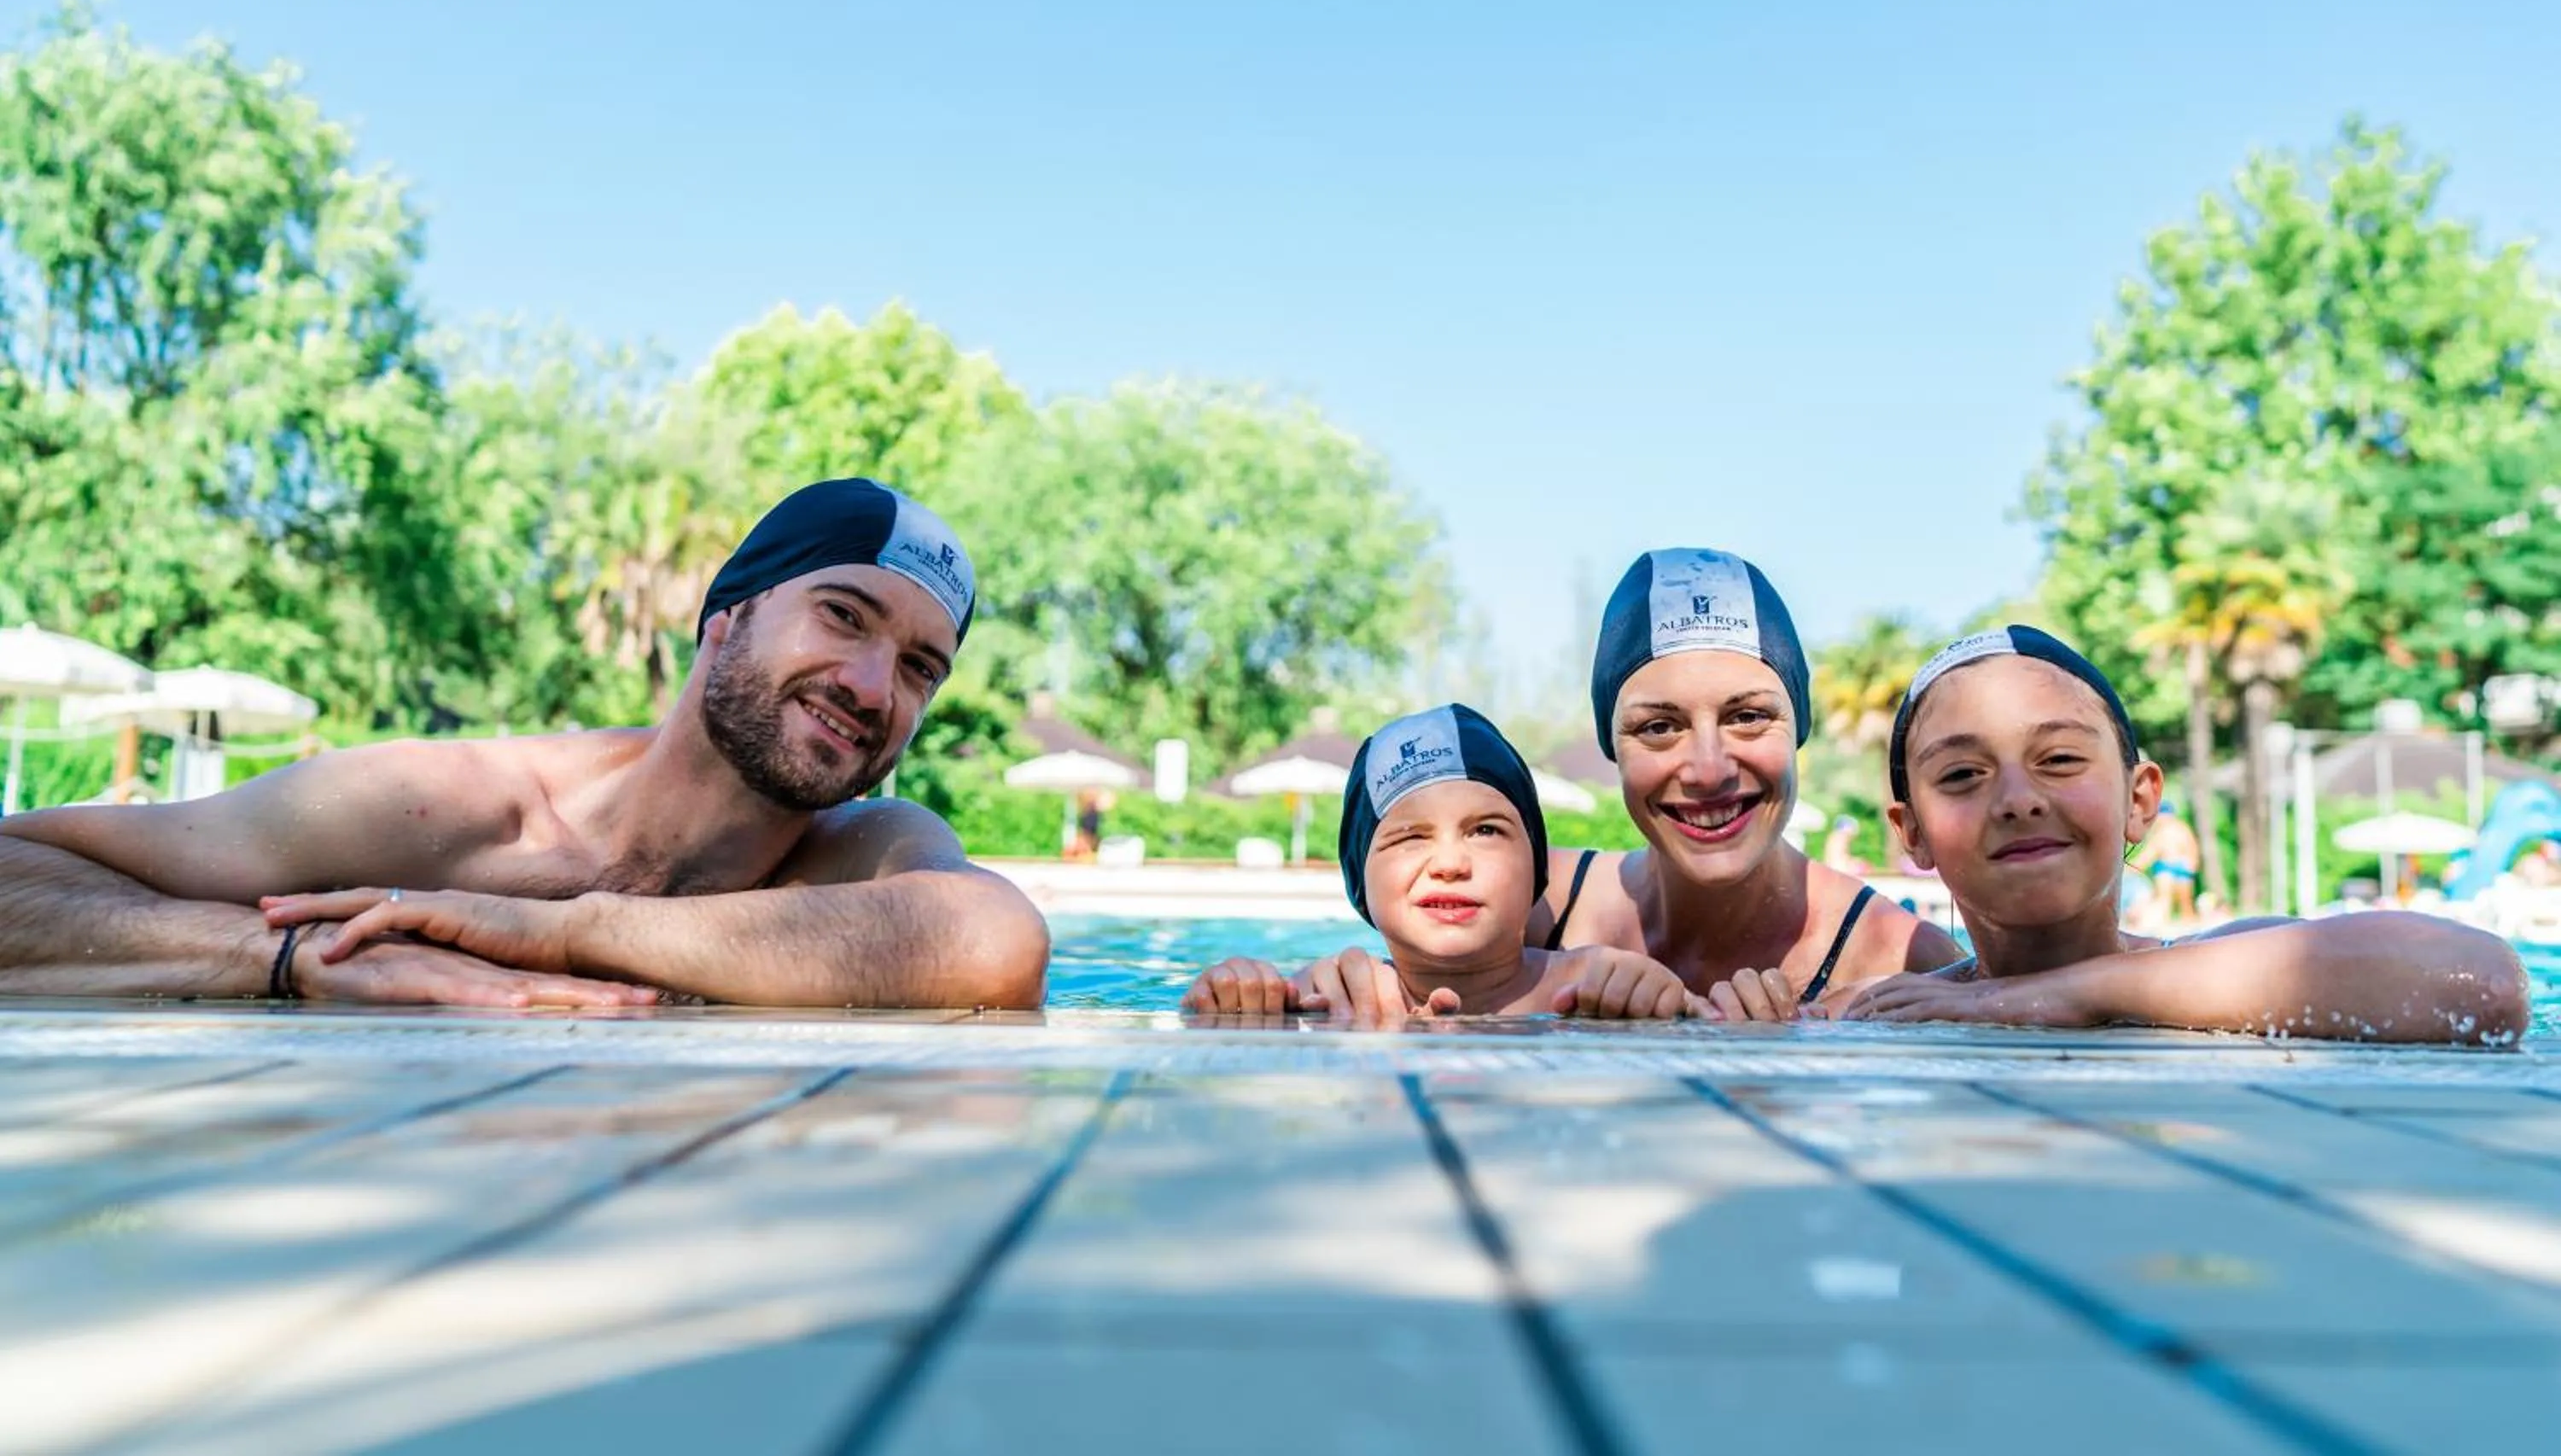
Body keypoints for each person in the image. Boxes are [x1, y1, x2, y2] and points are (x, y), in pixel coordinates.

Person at [0, 479, 1050, 1010]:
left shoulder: (863, 849)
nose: (875, 688)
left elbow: (996, 945)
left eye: (921, 668)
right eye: (844, 615)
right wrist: (282, 957)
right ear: (724, 621)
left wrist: (556, 933)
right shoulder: (444, 809)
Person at [1299, 550, 1963, 1022]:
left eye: (1748, 716)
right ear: (1611, 746)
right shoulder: (1525, 898)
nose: (1707, 769)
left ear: (1799, 728)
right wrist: (1333, 981)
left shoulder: (1900, 955)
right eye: (1659, 727)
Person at [1829, 626, 2529, 1044]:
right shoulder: (1878, 1011)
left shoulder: (2227, 959)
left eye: (2061, 759)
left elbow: (2488, 985)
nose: (2017, 800)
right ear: (1911, 832)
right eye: (1961, 775)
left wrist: (2059, 995)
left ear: (2140, 800)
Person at [1182, 704, 1709, 1022]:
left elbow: (1700, 1023)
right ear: (1358, 878)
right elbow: (1230, 1006)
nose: (1451, 862)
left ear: (1535, 867)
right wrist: (1235, 991)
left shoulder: (1598, 979)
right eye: (1411, 836)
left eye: (1486, 831)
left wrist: (1666, 1002)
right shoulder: (1327, 993)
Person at [2126, 797, 2201, 923]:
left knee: (2185, 898)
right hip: (2165, 866)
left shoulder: (2182, 829)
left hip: (2183, 865)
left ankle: (2189, 921)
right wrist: (2134, 867)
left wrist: (2193, 860)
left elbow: (2192, 846)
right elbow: (2150, 853)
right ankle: (2164, 921)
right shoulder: (2158, 833)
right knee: (2164, 897)